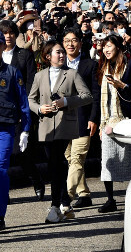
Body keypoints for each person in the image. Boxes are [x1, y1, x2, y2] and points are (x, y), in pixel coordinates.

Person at [28, 41, 92, 223]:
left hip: (66, 125)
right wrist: (40, 109)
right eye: (58, 52)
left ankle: (55, 205)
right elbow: (30, 100)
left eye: (63, 52)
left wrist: (67, 102)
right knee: (56, 163)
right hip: (46, 126)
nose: (62, 55)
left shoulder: (71, 74)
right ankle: (65, 202)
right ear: (48, 56)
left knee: (55, 162)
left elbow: (87, 96)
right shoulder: (39, 76)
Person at [96, 34, 131, 213]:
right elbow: (100, 97)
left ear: (117, 46)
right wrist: (101, 123)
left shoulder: (130, 64)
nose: (106, 50)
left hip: (127, 118)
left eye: (109, 46)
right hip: (109, 119)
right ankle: (110, 199)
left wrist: (122, 85)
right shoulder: (104, 66)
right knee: (107, 160)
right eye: (104, 47)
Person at [0, 20, 43, 200]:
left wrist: (21, 109)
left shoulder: (24, 54)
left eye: (11, 33)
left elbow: (30, 82)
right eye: (5, 33)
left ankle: (37, 180)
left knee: (22, 153)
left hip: (18, 110)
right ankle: (3, 193)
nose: (8, 36)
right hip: (4, 112)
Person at [62, 28, 100, 209]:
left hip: (84, 118)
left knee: (77, 157)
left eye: (74, 40)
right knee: (70, 156)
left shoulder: (90, 64)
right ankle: (84, 194)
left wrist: (94, 118)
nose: (70, 44)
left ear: (80, 43)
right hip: (64, 120)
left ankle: (65, 197)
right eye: (67, 40)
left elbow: (95, 93)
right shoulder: (58, 66)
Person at [0, 30, 31, 231]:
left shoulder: (12, 72)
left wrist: (26, 130)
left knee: (1, 170)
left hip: (5, 128)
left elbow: (23, 103)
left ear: (3, 47)